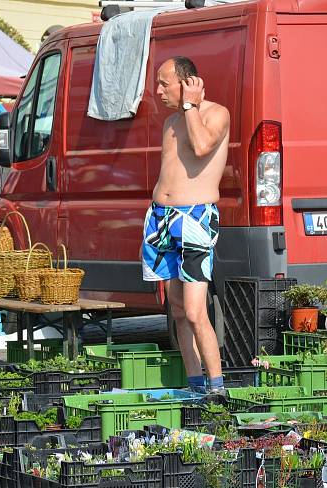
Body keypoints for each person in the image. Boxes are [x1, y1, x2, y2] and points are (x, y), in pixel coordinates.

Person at [141, 56, 230, 395]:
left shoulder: (215, 114)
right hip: (161, 218)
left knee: (195, 311)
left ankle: (217, 386)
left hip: (194, 218)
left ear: (188, 82)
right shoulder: (170, 123)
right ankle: (195, 385)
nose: (158, 90)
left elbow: (202, 145)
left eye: (165, 83)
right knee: (177, 310)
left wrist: (191, 105)